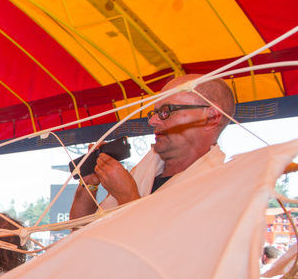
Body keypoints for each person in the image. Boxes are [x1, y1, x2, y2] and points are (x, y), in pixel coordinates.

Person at [70, 74, 236, 220]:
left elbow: (165, 249)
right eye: (154, 113)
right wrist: (89, 184)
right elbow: (79, 231)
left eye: (166, 111)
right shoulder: (146, 169)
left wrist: (128, 196)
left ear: (211, 118)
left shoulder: (219, 191)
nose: (152, 121)